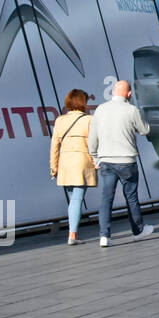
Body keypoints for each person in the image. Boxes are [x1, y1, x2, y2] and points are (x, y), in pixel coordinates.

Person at [88, 80, 153, 247]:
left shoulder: (100, 109)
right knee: (131, 197)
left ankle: (104, 236)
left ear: (113, 92)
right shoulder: (132, 110)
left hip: (107, 161)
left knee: (106, 198)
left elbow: (92, 138)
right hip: (126, 161)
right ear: (129, 94)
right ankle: (138, 230)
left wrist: (96, 158)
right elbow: (145, 130)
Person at [49, 88, 97, 245]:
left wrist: (54, 167)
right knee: (77, 198)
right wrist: (96, 161)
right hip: (82, 161)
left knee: (73, 198)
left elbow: (54, 146)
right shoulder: (89, 120)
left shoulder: (60, 120)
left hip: (65, 162)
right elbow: (93, 144)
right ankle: (73, 235)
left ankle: (73, 231)